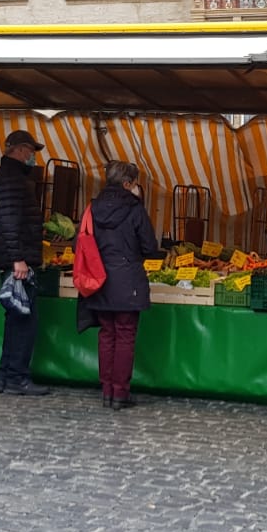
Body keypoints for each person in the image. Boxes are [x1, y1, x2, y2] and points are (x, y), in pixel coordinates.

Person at [80, 160, 158, 410]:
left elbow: (80, 243)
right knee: (125, 335)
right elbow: (149, 247)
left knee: (107, 334)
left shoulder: (92, 208)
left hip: (99, 279)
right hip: (128, 281)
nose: (136, 188)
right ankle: (120, 393)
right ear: (127, 184)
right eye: (135, 183)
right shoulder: (135, 210)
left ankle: (106, 391)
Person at [0, 129, 48, 396]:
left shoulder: (8, 176)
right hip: (17, 259)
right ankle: (17, 377)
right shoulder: (13, 179)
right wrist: (18, 259)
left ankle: (5, 375)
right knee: (25, 319)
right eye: (31, 151)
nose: (32, 157)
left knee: (15, 317)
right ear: (19, 150)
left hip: (14, 255)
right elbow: (11, 221)